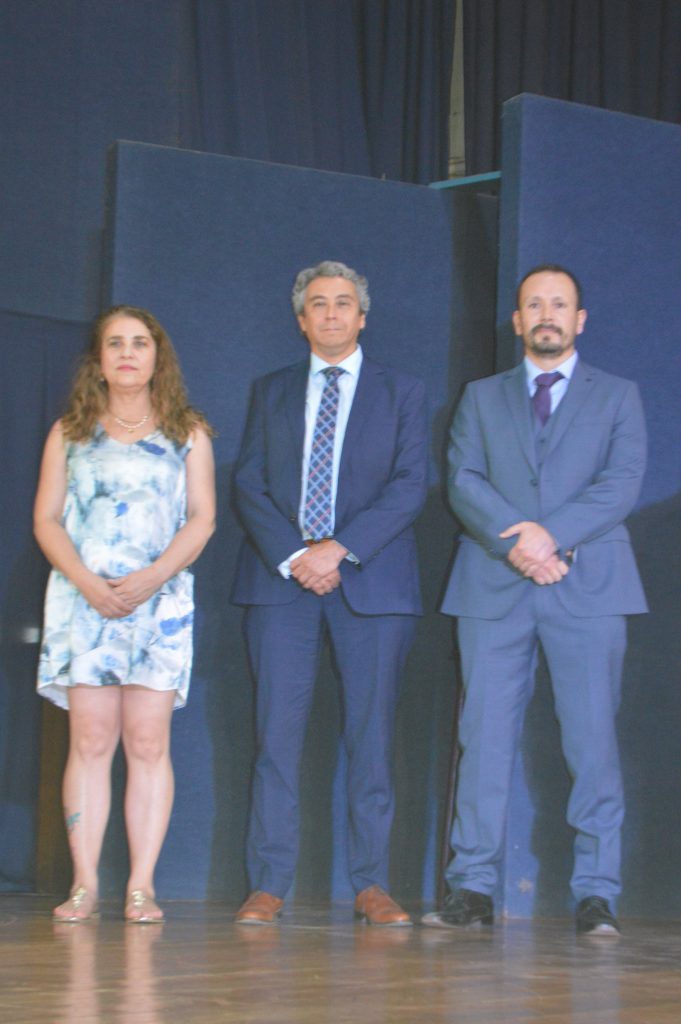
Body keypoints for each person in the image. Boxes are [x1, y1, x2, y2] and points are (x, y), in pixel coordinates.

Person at [423, 265, 647, 935]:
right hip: (494, 586)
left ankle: (596, 892)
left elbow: (621, 483)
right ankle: (471, 887)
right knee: (483, 740)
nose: (547, 314)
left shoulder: (618, 396)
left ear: (579, 319)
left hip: (590, 588)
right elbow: (463, 480)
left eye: (559, 304)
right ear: (517, 320)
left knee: (592, 741)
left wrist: (552, 536)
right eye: (534, 305)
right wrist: (518, 542)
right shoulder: (479, 397)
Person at [231, 260, 427, 926]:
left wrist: (337, 549)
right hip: (281, 584)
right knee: (275, 740)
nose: (332, 313)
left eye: (344, 303)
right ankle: (268, 884)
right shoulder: (271, 391)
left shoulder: (402, 391)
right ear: (301, 319)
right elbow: (249, 484)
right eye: (318, 303)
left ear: (362, 317)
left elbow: (410, 485)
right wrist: (297, 556)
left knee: (371, 741)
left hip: (370, 583)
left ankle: (370, 885)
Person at [35, 305, 216, 923]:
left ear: (157, 357)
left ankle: (142, 886)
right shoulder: (69, 432)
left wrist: (151, 578)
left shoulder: (189, 432)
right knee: (89, 741)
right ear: (99, 359)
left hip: (157, 604)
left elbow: (202, 519)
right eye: (115, 343)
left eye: (140, 343)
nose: (128, 353)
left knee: (147, 741)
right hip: (85, 602)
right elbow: (46, 520)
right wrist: (88, 582)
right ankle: (84, 885)